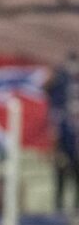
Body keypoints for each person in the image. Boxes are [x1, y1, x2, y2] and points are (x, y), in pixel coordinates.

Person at [45, 51, 79, 214]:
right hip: (64, 139)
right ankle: (58, 207)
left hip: (74, 139)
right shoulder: (61, 80)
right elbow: (47, 90)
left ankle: (76, 207)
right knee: (60, 172)